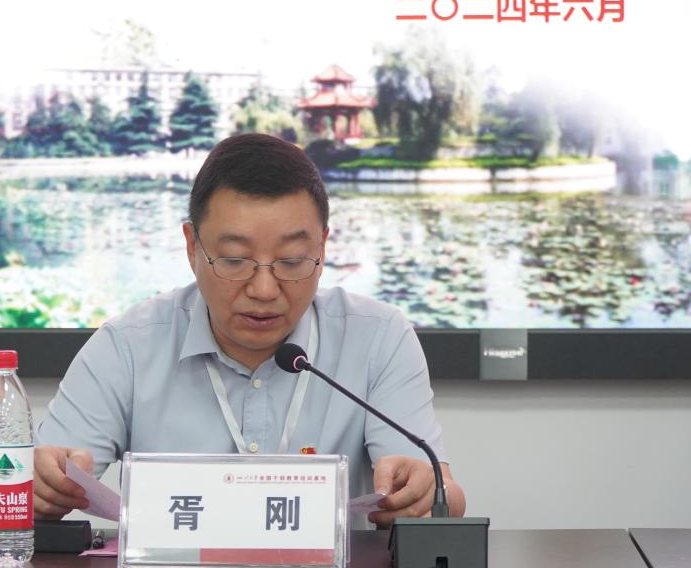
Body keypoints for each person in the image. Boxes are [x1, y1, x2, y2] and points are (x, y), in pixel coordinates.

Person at [34, 133, 466, 528]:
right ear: (192, 247)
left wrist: (427, 494)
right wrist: (40, 483)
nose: (264, 290)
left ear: (322, 247)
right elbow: (32, 487)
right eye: (235, 260)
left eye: (292, 261)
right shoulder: (127, 346)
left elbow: (443, 495)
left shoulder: (378, 339)